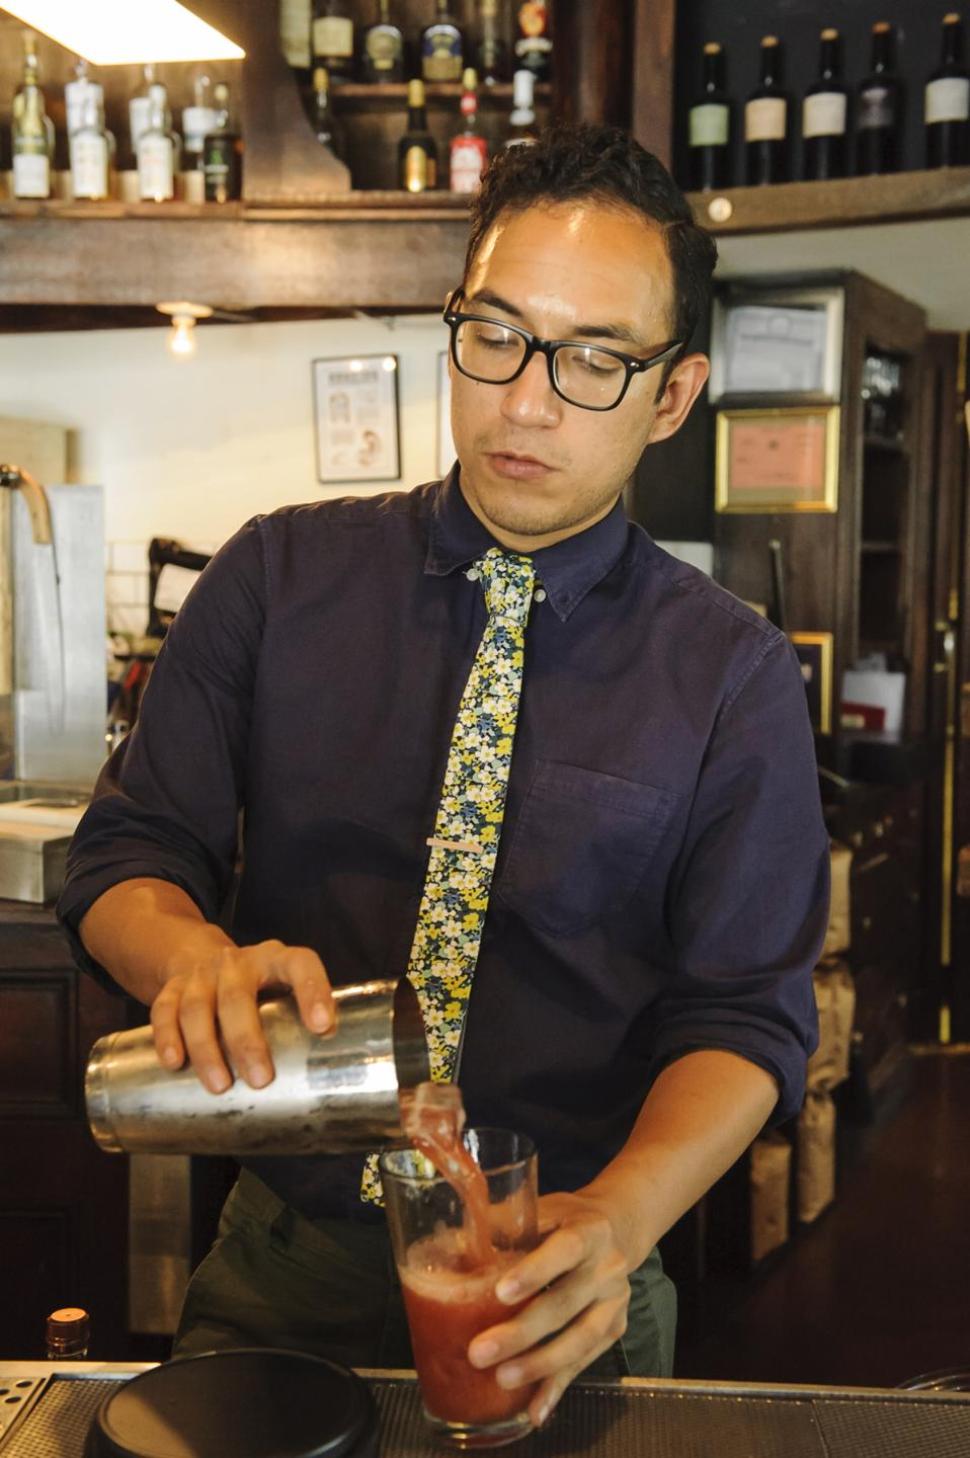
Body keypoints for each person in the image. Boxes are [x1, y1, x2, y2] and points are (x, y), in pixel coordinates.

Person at [58, 123, 828, 1427]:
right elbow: (125, 851)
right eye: (496, 335)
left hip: (566, 1277)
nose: (526, 401)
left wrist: (618, 1215)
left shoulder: (729, 675)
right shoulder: (273, 578)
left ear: (673, 393)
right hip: (279, 1262)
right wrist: (181, 953)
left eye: (593, 360)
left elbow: (746, 1013)